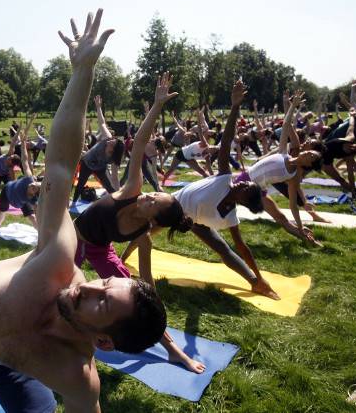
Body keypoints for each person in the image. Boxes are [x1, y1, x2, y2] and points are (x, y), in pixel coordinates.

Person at [0, 9, 166, 413]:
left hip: (1, 365)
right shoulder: (56, 261)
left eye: (103, 304)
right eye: (105, 285)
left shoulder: (73, 373)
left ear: (103, 342)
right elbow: (61, 170)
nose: (91, 287)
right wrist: (83, 72)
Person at [74, 72, 204, 374]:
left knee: (138, 303)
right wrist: (156, 106)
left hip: (99, 249)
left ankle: (173, 351)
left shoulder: (143, 234)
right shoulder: (131, 189)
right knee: (67, 289)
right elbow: (140, 142)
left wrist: (152, 310)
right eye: (155, 193)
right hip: (75, 240)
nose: (148, 195)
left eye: (153, 202)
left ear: (154, 219)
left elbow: (146, 282)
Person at [125, 80, 279, 301]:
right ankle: (122, 259)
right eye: (244, 182)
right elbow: (225, 143)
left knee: (224, 249)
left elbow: (241, 247)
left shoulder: (230, 216)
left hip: (195, 220)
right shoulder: (225, 178)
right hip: (172, 206)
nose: (241, 182)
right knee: (145, 232)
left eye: (245, 187)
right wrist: (235, 106)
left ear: (244, 199)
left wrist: (258, 273)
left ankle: (257, 284)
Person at [233, 90, 324, 246]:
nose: (308, 152)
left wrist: (300, 226)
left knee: (281, 218)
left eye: (312, 156)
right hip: (245, 180)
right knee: (223, 203)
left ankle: (307, 240)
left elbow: (293, 206)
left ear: (309, 164)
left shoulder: (293, 176)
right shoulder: (283, 152)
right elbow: (287, 124)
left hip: (259, 190)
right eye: (311, 151)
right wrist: (292, 106)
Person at [72, 95, 124, 202]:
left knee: (109, 186)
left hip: (100, 168)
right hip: (86, 163)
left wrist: (118, 191)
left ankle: (117, 202)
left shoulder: (113, 159)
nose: (109, 140)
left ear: (113, 150)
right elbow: (102, 123)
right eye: (112, 139)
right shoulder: (108, 137)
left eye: (112, 143)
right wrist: (98, 107)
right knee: (80, 183)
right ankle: (73, 202)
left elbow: (114, 177)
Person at [0, 128, 41, 230]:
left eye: (34, 188)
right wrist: (23, 144)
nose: (32, 184)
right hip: (7, 192)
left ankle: (41, 235)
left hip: (20, 201)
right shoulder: (29, 179)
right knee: (2, 212)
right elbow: (24, 160)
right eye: (35, 184)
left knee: (32, 217)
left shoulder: (33, 200)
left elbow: (38, 214)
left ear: (33, 194)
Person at [0, 133, 22, 207]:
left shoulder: (10, 168)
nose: (10, 157)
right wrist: (17, 131)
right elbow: (13, 143)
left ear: (12, 163)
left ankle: (13, 201)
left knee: (9, 187)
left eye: (11, 158)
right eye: (11, 156)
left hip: (4, 175)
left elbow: (13, 180)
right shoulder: (9, 154)